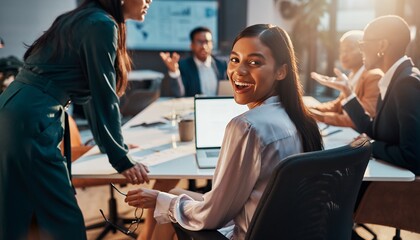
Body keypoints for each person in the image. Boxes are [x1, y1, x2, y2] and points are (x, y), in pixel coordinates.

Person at [125, 24, 323, 240]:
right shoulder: (302, 119)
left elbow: (213, 216)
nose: (239, 71)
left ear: (281, 71)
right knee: (172, 195)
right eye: (235, 59)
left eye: (254, 62)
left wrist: (160, 201)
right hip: (282, 228)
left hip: (250, 232)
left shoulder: (247, 126)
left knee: (168, 204)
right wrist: (167, 200)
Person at [0, 0, 153, 239]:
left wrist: (112, 146)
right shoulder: (102, 24)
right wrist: (122, 159)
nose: (150, 1)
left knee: (20, 215)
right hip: (32, 119)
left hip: (14, 111)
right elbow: (104, 96)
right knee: (64, 223)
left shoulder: (81, 18)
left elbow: (94, 96)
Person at [317, 15, 420, 175]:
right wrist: (348, 93)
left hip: (401, 190)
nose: (361, 49)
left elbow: (412, 156)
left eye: (363, 44)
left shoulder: (406, 84)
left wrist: (369, 145)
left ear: (382, 45)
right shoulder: (392, 79)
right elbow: (375, 130)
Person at [310, 30, 383, 128]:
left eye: (349, 49)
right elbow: (338, 105)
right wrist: (310, 110)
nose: (343, 55)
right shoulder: (352, 75)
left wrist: (321, 117)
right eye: (342, 51)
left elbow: (361, 119)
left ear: (364, 49)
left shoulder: (374, 77)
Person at [160, 26, 227, 97]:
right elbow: (178, 94)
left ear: (212, 44)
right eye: (200, 42)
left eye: (207, 42)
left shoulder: (222, 64)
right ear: (192, 45)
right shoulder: (183, 66)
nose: (204, 46)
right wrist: (174, 72)